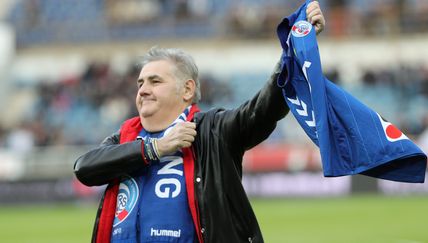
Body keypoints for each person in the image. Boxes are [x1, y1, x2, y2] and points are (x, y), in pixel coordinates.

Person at [74, 2, 325, 242]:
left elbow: (262, 110)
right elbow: (84, 168)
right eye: (140, 83)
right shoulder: (125, 137)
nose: (143, 90)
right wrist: (155, 148)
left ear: (187, 90)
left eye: (155, 81)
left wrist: (294, 50)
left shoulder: (212, 131)